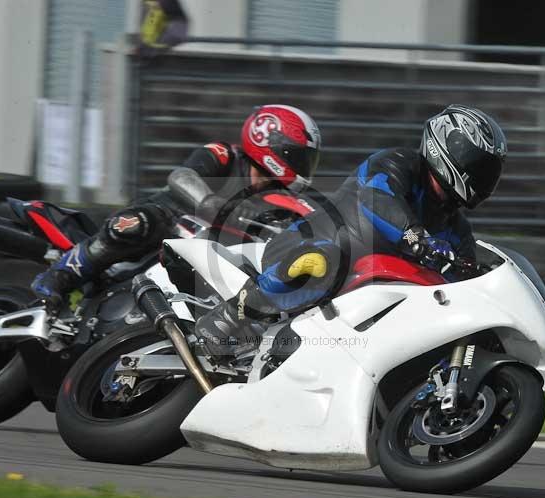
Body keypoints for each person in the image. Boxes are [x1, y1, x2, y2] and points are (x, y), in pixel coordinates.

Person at [194, 104, 507, 359]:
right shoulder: (399, 163)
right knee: (322, 261)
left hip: (359, 299)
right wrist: (418, 240)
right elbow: (379, 201)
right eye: (478, 164)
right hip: (304, 250)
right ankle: (229, 317)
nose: (484, 177)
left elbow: (462, 285)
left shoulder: (457, 229)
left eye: (490, 169)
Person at [31, 104, 322, 306]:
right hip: (167, 218)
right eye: (296, 155)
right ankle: (58, 276)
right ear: (266, 139)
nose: (302, 166)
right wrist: (212, 203)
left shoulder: (277, 197)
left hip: (208, 252)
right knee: (137, 224)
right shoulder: (223, 154)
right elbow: (181, 176)